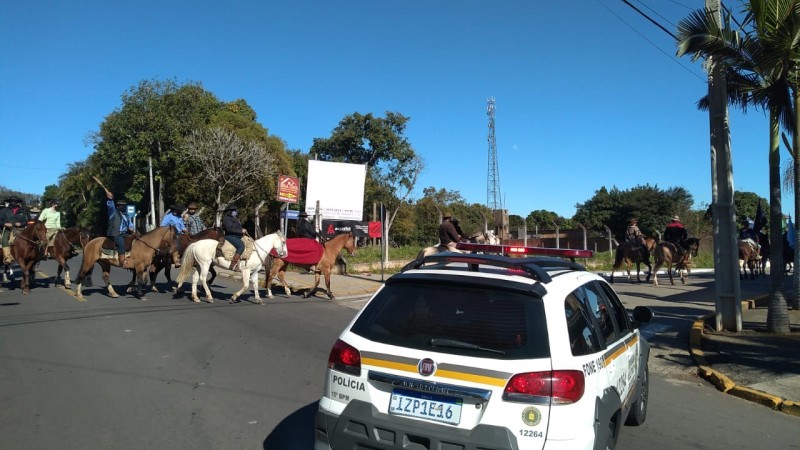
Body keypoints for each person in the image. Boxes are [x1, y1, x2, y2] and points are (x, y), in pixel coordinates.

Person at [106, 192, 134, 268]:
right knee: (121, 243)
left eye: (123, 205)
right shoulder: (113, 212)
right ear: (117, 206)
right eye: (120, 205)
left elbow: (130, 224)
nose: (122, 206)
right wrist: (110, 199)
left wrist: (132, 228)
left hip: (125, 233)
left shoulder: (126, 215)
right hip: (115, 233)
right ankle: (122, 261)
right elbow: (110, 206)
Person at [1, 197, 30, 264]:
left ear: (18, 202)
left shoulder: (23, 211)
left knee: (28, 239)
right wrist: (5, 224)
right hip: (7, 229)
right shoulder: (4, 210)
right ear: (9, 202)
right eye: (12, 201)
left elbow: (26, 221)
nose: (13, 203)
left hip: (20, 229)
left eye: (15, 201)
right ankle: (7, 257)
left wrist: (21, 224)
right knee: (4, 240)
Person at [222, 204, 245, 270]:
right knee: (241, 246)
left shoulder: (234, 219)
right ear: (230, 211)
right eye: (234, 211)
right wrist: (241, 231)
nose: (236, 212)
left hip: (237, 236)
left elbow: (236, 228)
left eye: (236, 211)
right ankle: (233, 264)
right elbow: (229, 229)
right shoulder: (226, 219)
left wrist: (242, 230)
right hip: (230, 236)